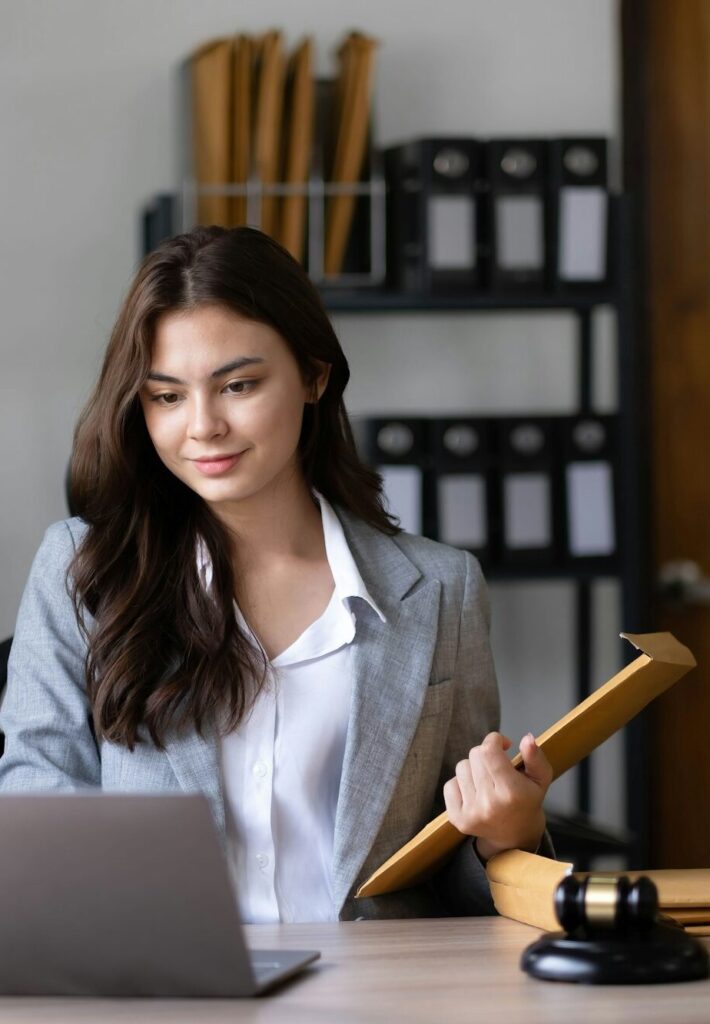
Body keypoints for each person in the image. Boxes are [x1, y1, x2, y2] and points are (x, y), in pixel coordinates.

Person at [0, 226, 553, 922]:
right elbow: (37, 821)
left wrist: (506, 838)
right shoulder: (84, 571)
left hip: (381, 991)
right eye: (166, 397)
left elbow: (449, 877)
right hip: (168, 989)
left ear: (315, 375)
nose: (202, 426)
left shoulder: (440, 591)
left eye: (238, 385)